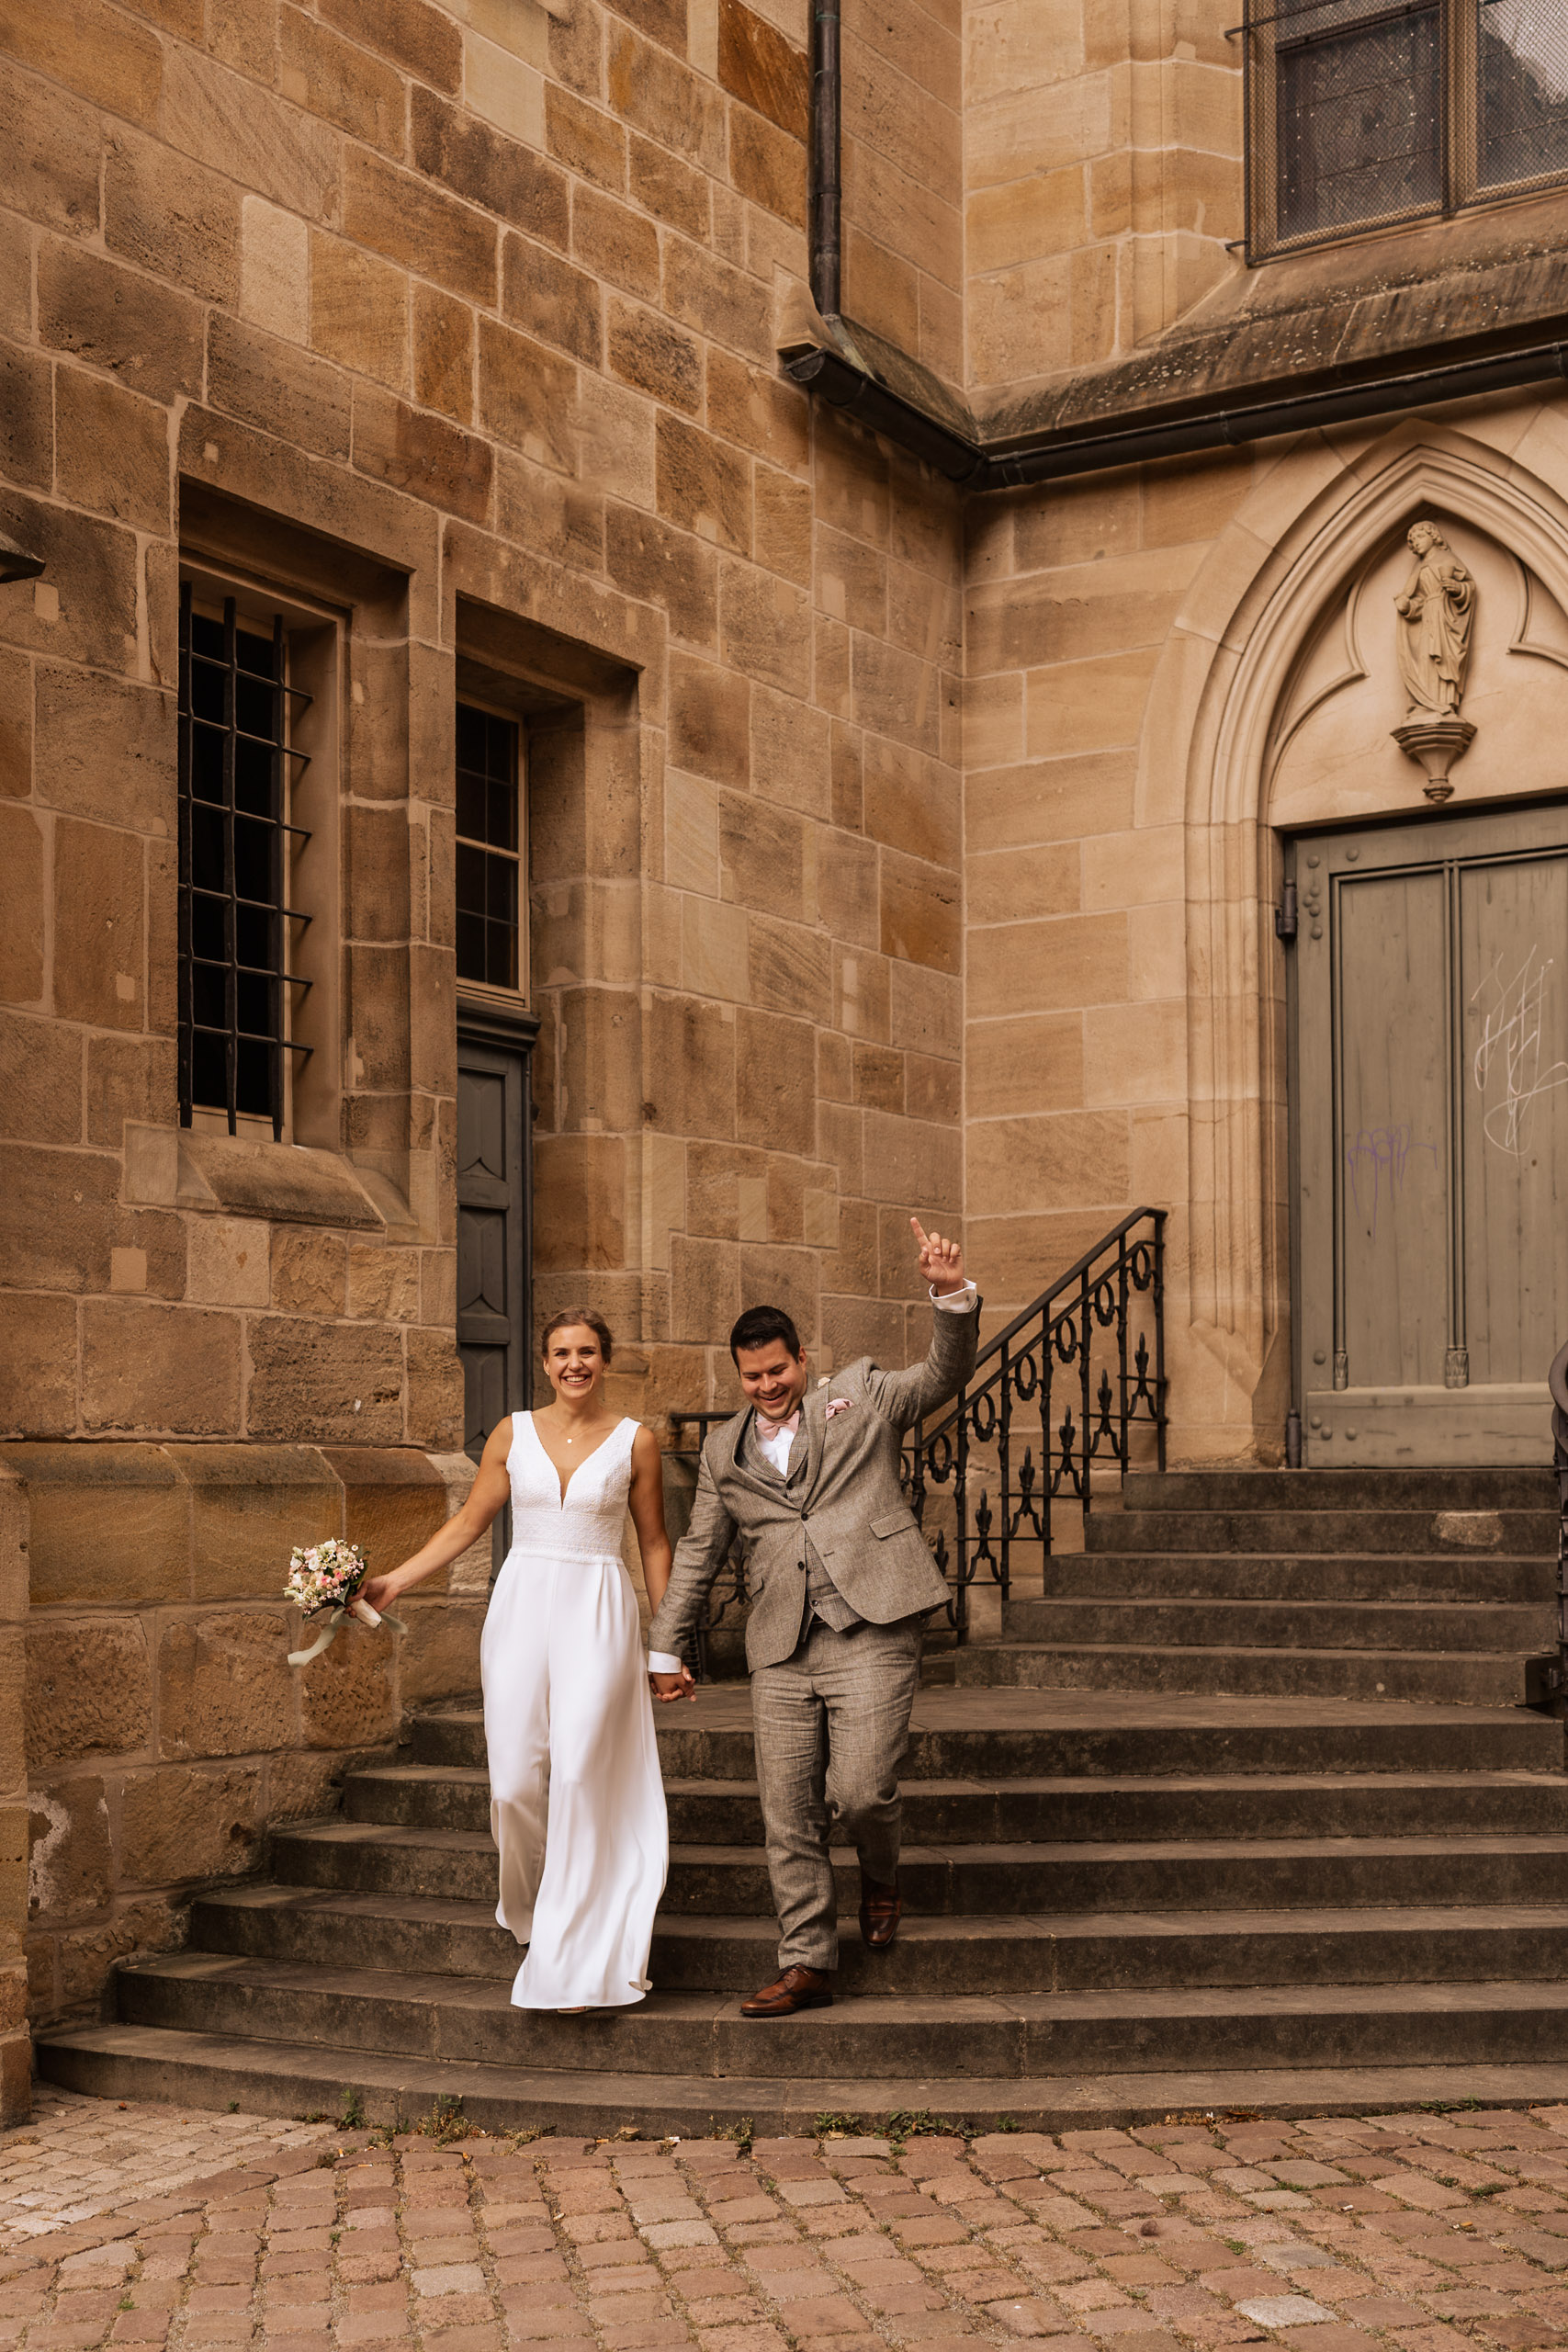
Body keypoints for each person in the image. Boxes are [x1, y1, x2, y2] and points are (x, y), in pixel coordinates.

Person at [646, 1218, 979, 2018]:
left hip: (873, 1622)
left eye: (777, 1370)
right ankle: (806, 1962)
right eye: (751, 1376)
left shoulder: (859, 1393)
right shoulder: (726, 1452)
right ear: (739, 1376)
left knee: (862, 1792)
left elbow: (941, 1373)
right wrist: (664, 1648)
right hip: (780, 1643)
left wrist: (947, 1293)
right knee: (786, 1810)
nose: (766, 1386)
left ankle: (882, 1874)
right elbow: (696, 1550)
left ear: (802, 1359)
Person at [362, 1307, 682, 2013]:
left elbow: (655, 1544)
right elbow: (469, 1523)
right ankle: (531, 1908)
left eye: (588, 1352)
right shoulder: (512, 1432)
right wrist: (393, 1581)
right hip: (520, 1609)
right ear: (544, 1362)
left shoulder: (637, 1442)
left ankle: (570, 1948)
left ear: (605, 1359)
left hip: (598, 1608)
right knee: (512, 1782)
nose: (575, 1364)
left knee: (576, 1773)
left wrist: (669, 1642)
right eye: (562, 1353)